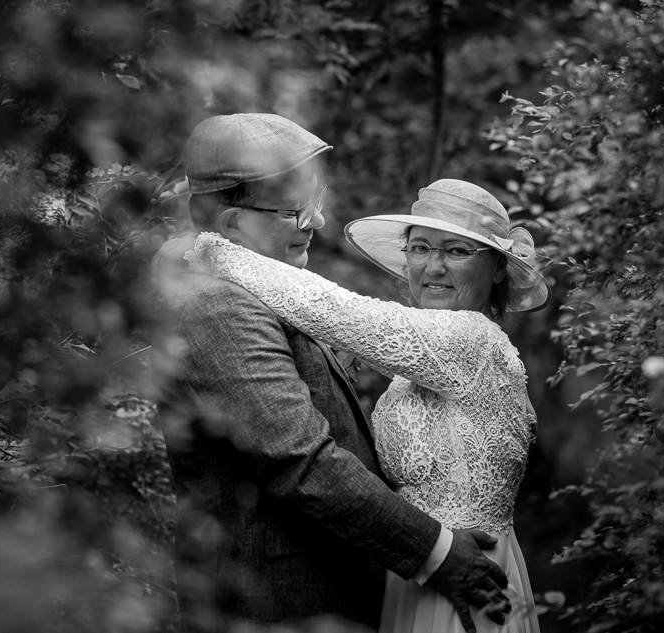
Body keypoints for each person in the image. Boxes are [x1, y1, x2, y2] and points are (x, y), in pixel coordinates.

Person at [152, 114, 511, 633]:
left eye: (316, 202)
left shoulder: (269, 290)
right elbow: (300, 458)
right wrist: (434, 551)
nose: (316, 223)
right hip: (275, 604)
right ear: (231, 227)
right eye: (296, 210)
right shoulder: (216, 305)